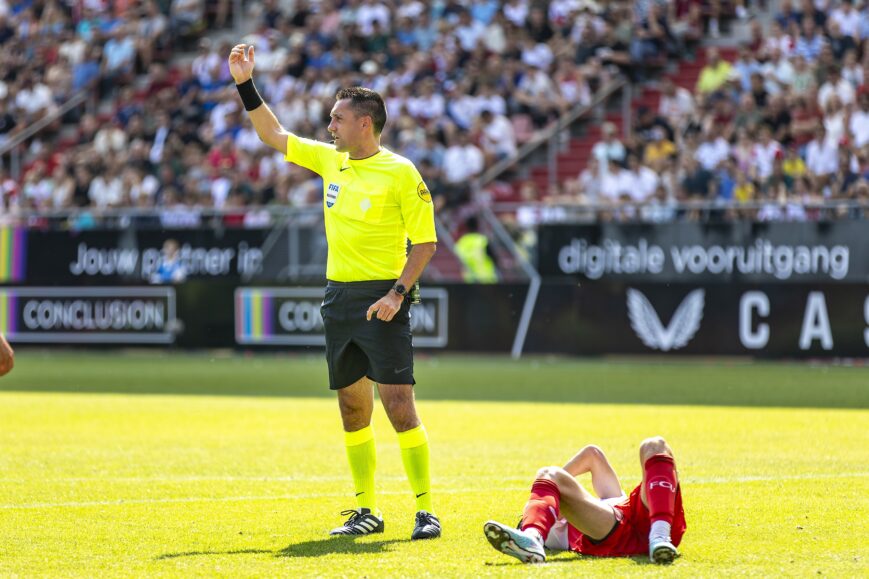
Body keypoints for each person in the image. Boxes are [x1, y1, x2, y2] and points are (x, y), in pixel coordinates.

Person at [228, 44, 440, 540]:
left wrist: (397, 294)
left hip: (382, 298)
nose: (329, 127)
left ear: (364, 123)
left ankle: (425, 509)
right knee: (351, 407)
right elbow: (273, 134)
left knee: (399, 404)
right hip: (339, 298)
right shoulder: (330, 161)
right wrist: (244, 82)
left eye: (337, 119)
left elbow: (426, 242)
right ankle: (366, 510)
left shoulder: (401, 172)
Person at [484, 436, 686, 564]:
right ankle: (532, 538)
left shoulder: (611, 500)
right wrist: (553, 493)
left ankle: (660, 537)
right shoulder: (572, 525)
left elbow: (592, 455)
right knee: (549, 473)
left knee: (654, 445)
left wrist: (550, 491)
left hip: (644, 520)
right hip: (612, 533)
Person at [454, 215, 498, 283]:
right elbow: (493, 256)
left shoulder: (462, 242)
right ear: (478, 226)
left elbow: (458, 259)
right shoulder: (482, 240)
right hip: (487, 278)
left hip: (470, 279)